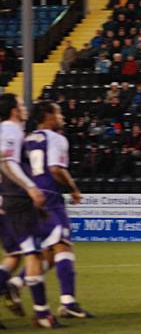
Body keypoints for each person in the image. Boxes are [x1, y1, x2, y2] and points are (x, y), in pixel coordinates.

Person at [8, 101, 93, 318]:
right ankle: (68, 301)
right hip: (50, 198)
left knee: (46, 253)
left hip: (29, 198)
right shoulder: (56, 138)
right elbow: (55, 169)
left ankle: (17, 282)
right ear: (48, 115)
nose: (61, 117)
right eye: (58, 113)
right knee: (63, 246)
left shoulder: (26, 139)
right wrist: (73, 188)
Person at [0, 94, 63, 328]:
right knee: (32, 253)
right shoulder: (10, 130)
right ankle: (42, 315)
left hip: (11, 200)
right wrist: (31, 188)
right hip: (16, 198)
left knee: (19, 254)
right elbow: (6, 162)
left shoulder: (12, 131)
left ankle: (40, 312)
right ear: (14, 110)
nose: (25, 108)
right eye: (21, 104)